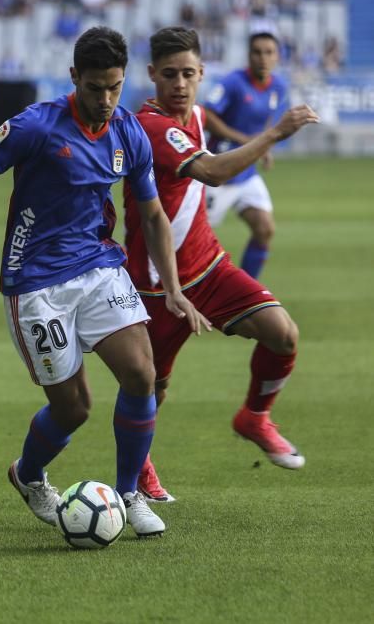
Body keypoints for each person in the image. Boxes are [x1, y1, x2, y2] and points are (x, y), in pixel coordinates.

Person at [0, 26, 209, 538]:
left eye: (115, 86)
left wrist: (174, 288)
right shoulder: (37, 125)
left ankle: (130, 492)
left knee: (141, 373)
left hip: (97, 267)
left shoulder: (128, 131)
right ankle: (27, 475)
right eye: (95, 88)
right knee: (74, 409)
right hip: (35, 281)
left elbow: (153, 215)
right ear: (74, 79)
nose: (106, 99)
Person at [123, 27, 319, 503]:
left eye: (188, 74)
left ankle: (254, 416)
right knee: (153, 388)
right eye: (169, 75)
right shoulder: (151, 125)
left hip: (209, 267)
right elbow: (209, 172)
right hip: (156, 284)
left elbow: (211, 151)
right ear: (152, 75)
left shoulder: (196, 115)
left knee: (283, 333)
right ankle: (138, 464)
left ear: (201, 74)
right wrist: (274, 135)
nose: (179, 84)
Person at [204, 31, 288, 280]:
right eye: (257, 52)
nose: (263, 58)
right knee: (186, 241)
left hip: (246, 174)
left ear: (277, 56)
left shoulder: (278, 87)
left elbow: (266, 123)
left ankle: (246, 292)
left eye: (269, 52)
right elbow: (207, 116)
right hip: (217, 174)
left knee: (264, 229)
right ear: (249, 55)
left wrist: (263, 148)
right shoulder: (233, 82)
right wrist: (248, 143)